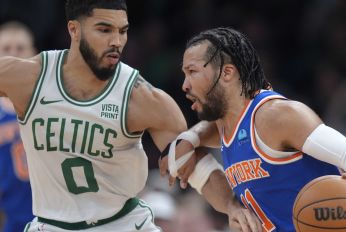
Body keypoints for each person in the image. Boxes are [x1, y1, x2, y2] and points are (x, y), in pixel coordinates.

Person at [0, 2, 261, 232]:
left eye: (122, 31)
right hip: (51, 224)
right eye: (104, 30)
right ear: (74, 30)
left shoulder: (142, 98)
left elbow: (193, 164)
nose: (116, 41)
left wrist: (230, 206)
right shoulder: (28, 78)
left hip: (122, 224)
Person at [161, 27, 346, 232]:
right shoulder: (225, 125)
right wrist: (191, 138)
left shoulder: (276, 116)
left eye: (192, 72)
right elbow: (203, 145)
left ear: (227, 73)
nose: (185, 85)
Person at [0, 21, 36, 232]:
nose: (13, 54)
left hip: (57, 219)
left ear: (34, 54)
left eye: (20, 48)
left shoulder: (54, 105)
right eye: (6, 49)